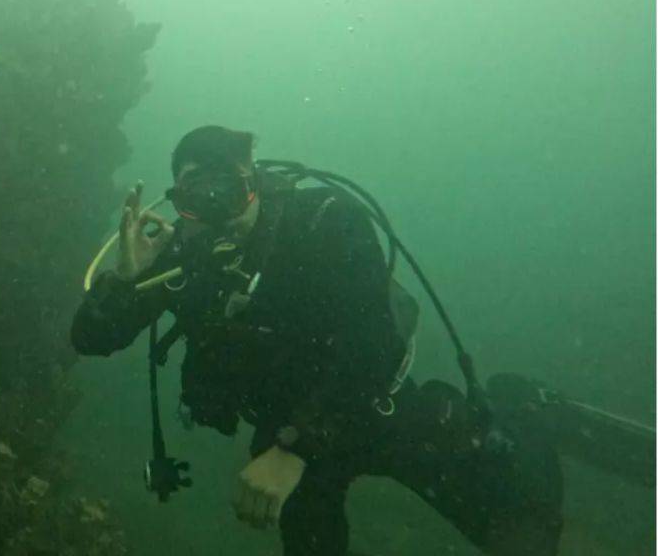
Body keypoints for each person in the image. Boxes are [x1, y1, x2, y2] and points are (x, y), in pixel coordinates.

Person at [71, 125, 565, 556]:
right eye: (198, 198)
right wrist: (126, 277)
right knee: (311, 542)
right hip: (285, 425)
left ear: (255, 182)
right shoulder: (179, 255)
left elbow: (375, 345)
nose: (219, 212)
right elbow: (92, 339)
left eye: (232, 192)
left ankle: (524, 406)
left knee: (515, 527)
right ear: (180, 203)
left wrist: (294, 450)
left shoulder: (325, 222)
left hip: (366, 406)